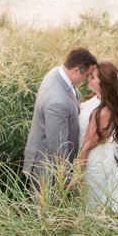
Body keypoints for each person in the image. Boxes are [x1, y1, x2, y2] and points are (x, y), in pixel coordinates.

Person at [23, 46, 98, 198]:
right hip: (47, 168)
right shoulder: (58, 102)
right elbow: (58, 148)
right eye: (87, 75)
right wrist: (68, 179)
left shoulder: (55, 73)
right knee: (45, 213)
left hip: (42, 154)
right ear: (76, 70)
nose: (87, 79)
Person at [72, 60, 118, 213]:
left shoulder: (103, 112)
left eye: (93, 78)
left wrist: (77, 173)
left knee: (93, 208)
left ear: (103, 83)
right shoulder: (96, 99)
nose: (88, 79)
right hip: (99, 159)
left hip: (93, 163)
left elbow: (88, 145)